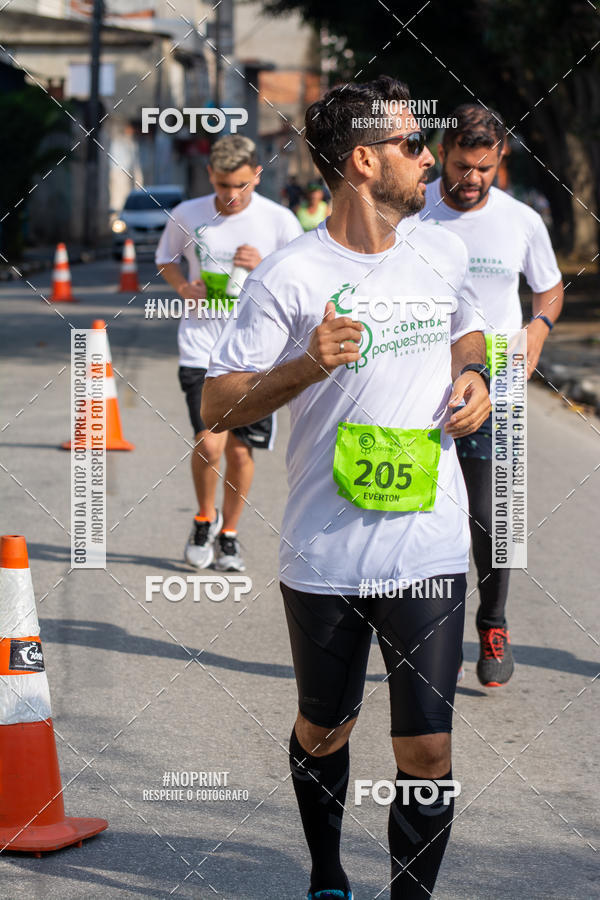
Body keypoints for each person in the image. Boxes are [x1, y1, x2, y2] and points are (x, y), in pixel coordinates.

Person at [202, 76, 491, 899]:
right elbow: (218, 404)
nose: (430, 159)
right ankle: (327, 872)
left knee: (427, 748)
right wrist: (306, 363)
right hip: (324, 551)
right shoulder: (291, 274)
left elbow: (467, 330)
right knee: (326, 728)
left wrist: (473, 376)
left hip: (428, 544)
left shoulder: (442, 250)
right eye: (413, 144)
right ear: (364, 161)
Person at [422, 105, 563, 686]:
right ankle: (433, 631)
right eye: (461, 165)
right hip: (422, 377)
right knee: (426, 512)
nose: (472, 178)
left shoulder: (521, 220)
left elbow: (549, 289)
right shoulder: (413, 210)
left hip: (498, 380)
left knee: (492, 515)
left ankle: (494, 622)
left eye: (484, 168)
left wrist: (538, 329)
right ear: (442, 153)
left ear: (500, 159)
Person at [156, 134, 303, 571]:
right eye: (222, 185)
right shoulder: (187, 214)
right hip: (200, 348)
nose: (231, 195)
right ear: (210, 176)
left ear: (257, 174)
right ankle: (205, 517)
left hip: (257, 355)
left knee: (240, 452)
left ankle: (230, 534)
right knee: (209, 443)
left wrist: (265, 264)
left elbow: (302, 278)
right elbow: (166, 259)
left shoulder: (279, 221)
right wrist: (184, 287)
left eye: (241, 185)